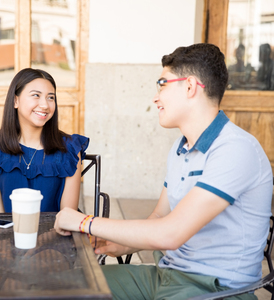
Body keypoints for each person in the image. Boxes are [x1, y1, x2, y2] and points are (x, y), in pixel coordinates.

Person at [54, 43, 272, 299]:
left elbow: (170, 234)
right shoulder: (180, 149)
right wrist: (117, 244)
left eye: (163, 83)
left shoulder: (235, 149)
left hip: (216, 290)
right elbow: (159, 218)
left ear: (190, 86)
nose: (156, 97)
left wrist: (85, 222)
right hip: (167, 276)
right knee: (69, 285)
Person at [0, 68, 89, 213]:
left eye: (50, 97)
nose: (45, 105)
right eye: (36, 95)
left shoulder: (69, 149)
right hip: (9, 233)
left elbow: (68, 215)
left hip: (56, 233)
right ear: (15, 100)